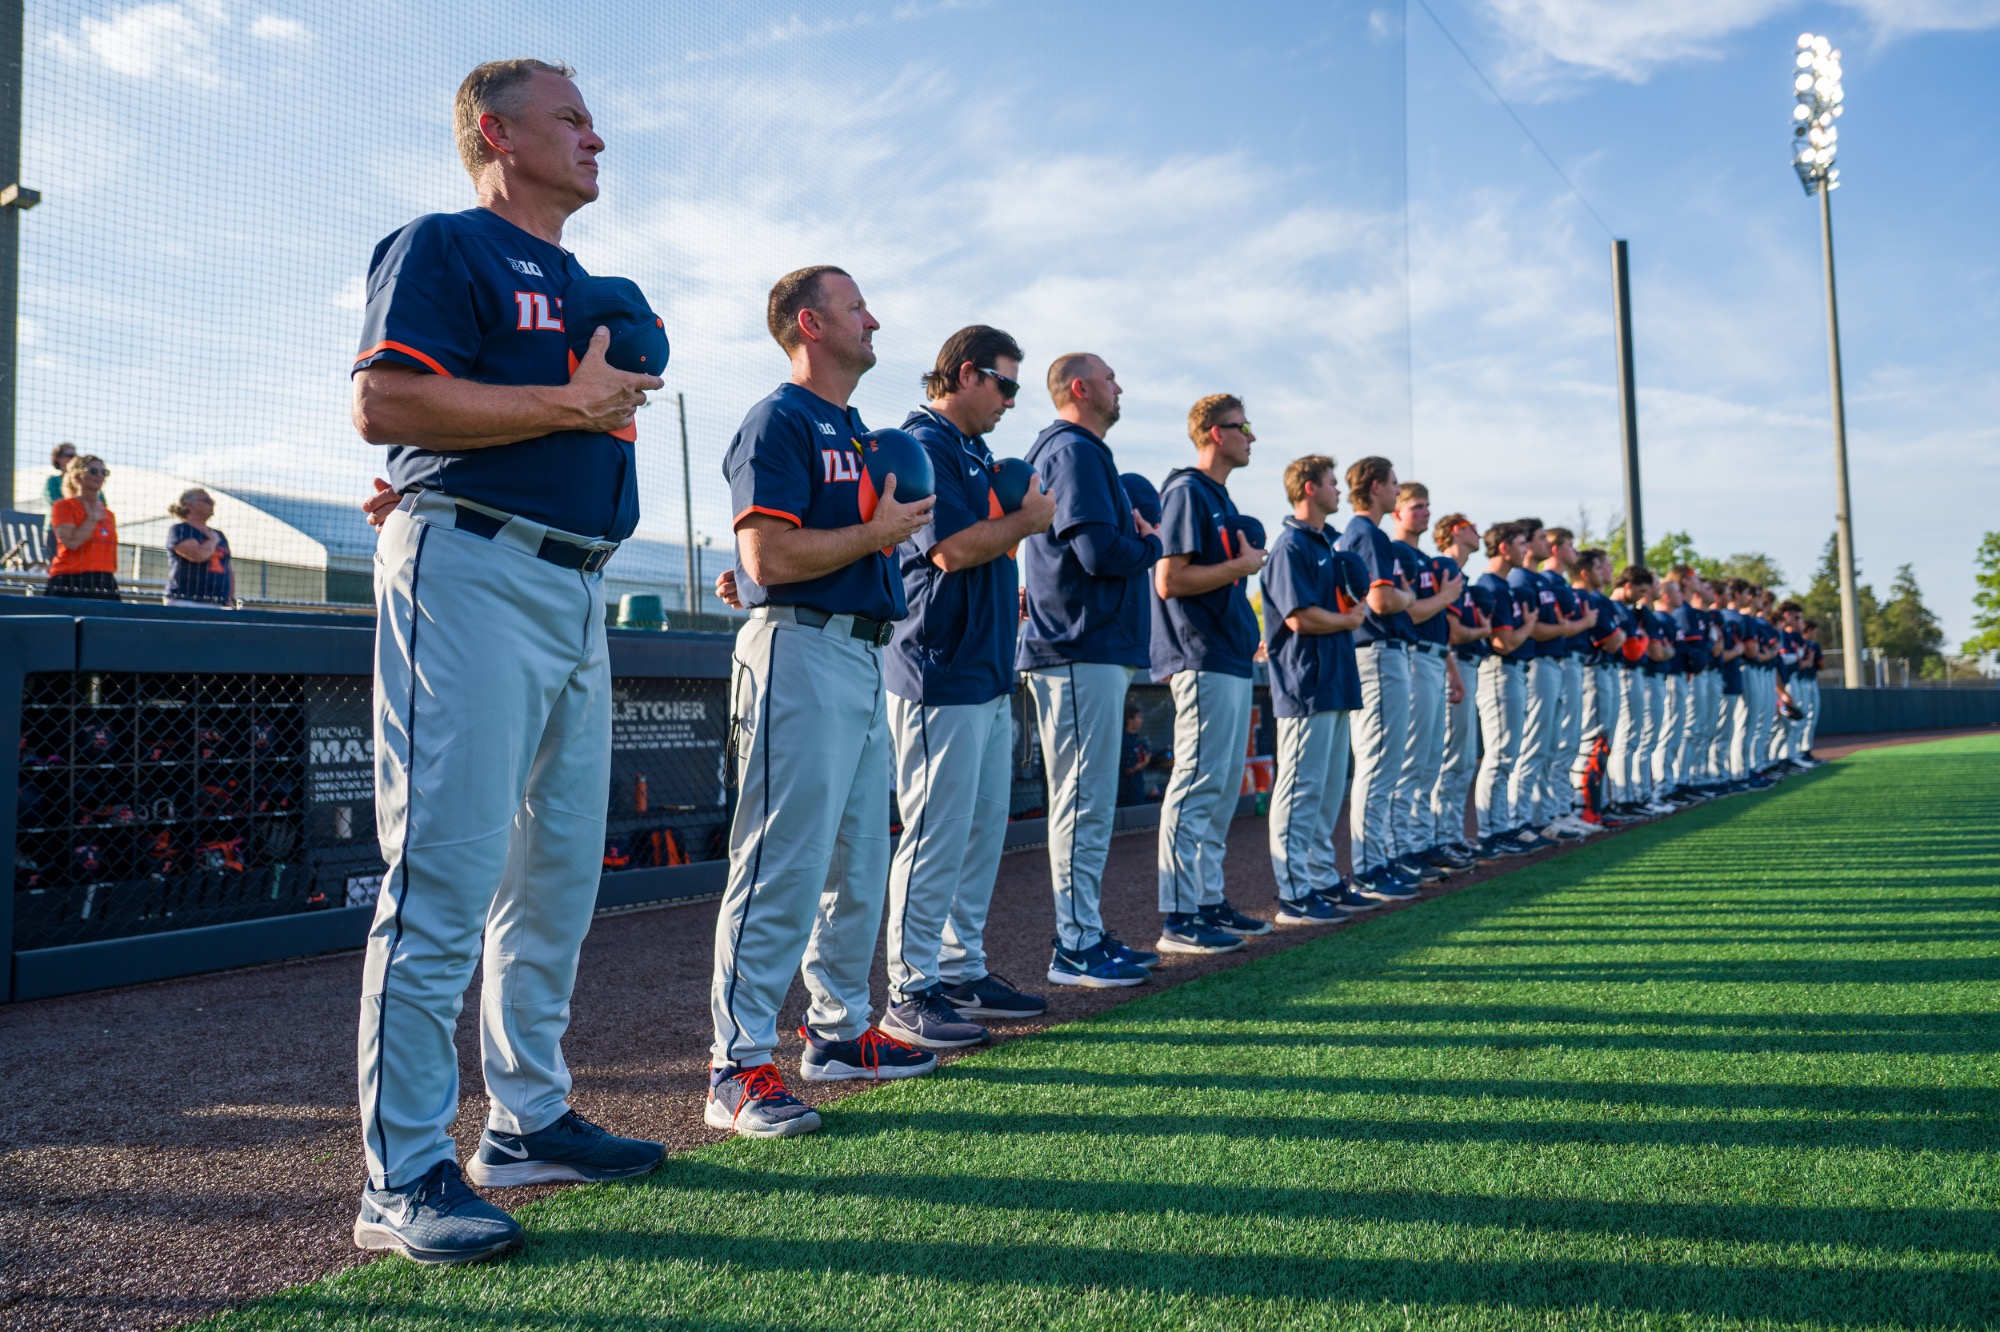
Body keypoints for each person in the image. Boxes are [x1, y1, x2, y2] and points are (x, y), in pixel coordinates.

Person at [348, 59, 668, 1265]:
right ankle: (402, 1174)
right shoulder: (444, 242)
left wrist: (581, 404)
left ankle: (527, 1121)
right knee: (439, 874)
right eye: (571, 118)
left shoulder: (588, 280)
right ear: (496, 132)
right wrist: (567, 408)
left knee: (552, 883)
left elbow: (604, 388)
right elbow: (385, 405)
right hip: (473, 564)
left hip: (577, 579)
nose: (597, 135)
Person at [707, 265, 940, 1134]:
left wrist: (855, 543)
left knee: (855, 862)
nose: (873, 319)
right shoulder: (779, 417)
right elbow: (768, 559)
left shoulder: (859, 430)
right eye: (855, 307)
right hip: (799, 648)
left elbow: (777, 555)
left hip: (858, 654)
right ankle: (736, 1066)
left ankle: (838, 1033)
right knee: (782, 861)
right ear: (810, 323)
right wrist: (876, 535)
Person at [879, 325, 1055, 1048]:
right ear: (964, 373)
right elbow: (947, 550)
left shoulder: (973, 450)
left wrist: (1013, 525)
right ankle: (908, 991)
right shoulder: (920, 441)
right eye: (1005, 384)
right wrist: (1026, 521)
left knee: (980, 832)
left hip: (983, 667)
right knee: (933, 835)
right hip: (935, 664)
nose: (1012, 400)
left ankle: (958, 967)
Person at [1017, 353, 1162, 987]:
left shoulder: (1081, 449)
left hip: (1089, 646)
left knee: (1089, 800)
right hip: (1077, 645)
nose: (1119, 385)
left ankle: (1085, 934)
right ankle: (1075, 946)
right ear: (1080, 388)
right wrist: (1152, 540)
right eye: (1109, 377)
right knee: (1082, 801)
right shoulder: (1073, 449)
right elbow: (1100, 553)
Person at [1152, 393, 1270, 953]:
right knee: (1197, 784)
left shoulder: (1218, 495)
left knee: (1221, 787)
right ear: (1215, 434)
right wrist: (1241, 568)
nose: (1251, 435)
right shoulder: (1185, 490)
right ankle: (1178, 914)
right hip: (1197, 655)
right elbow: (1169, 580)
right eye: (1242, 426)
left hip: (1226, 654)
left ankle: (1207, 899)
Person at [1261, 454, 1371, 924]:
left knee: (1327, 790)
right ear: (1309, 488)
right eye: (1331, 482)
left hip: (1335, 678)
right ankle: (1293, 891)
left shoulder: (1327, 543)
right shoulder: (1290, 545)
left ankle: (1321, 877)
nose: (1338, 490)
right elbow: (1297, 617)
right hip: (1303, 681)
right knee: (1300, 789)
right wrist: (1349, 620)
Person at [1335, 457, 1420, 899]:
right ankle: (1370, 868)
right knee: (1378, 763)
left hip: (1374, 653)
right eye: (1393, 483)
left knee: (1382, 763)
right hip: (1378, 652)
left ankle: (1378, 860)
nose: (1397, 489)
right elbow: (1383, 600)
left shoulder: (1360, 533)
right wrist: (1408, 594)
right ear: (1375, 486)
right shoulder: (1367, 533)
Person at [1386, 482, 1468, 880]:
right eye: (1416, 506)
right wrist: (1447, 596)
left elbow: (1436, 623)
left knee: (1429, 761)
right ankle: (1400, 849)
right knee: (1412, 761)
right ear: (1397, 512)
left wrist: (1453, 672)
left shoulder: (1423, 558)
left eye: (1427, 505)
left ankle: (1419, 844)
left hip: (1434, 659)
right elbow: (1407, 614)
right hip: (1411, 658)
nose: (1424, 511)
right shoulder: (1396, 552)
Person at [1473, 522, 1538, 855]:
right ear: (1503, 547)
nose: (1524, 549)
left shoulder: (1504, 586)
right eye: (1519, 543)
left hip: (1511, 673)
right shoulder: (1490, 585)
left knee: (1506, 755)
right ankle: (1490, 832)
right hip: (1498, 671)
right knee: (1498, 756)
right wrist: (1529, 624)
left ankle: (1499, 827)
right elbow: (1503, 642)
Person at [1430, 512, 1489, 862]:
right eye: (1472, 526)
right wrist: (1485, 630)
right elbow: (1452, 634)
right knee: (1451, 758)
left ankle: (1450, 834)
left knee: (1463, 759)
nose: (1478, 532)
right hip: (1450, 666)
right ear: (1456, 531)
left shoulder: (1460, 574)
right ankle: (1442, 836)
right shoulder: (1444, 569)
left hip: (1462, 666)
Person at [1567, 548, 1627, 824]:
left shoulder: (1601, 600)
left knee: (1602, 742)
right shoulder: (1583, 597)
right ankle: (1584, 810)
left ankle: (1594, 807)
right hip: (1594, 670)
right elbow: (1613, 641)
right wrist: (1621, 635)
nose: (1609, 571)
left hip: (1604, 670)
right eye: (1602, 566)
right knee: (1593, 742)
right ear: (1585, 571)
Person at [46, 454, 120, 601]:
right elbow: (71, 543)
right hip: (70, 579)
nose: (100, 476)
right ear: (77, 477)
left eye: (104, 472)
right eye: (93, 471)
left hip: (104, 581)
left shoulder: (108, 515)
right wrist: (91, 519)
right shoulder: (63, 506)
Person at [164, 489, 234, 608]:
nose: (212, 504)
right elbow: (197, 555)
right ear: (189, 505)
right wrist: (212, 540)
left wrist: (230, 598)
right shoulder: (180, 530)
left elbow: (227, 568)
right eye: (207, 500)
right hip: (185, 600)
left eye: (212, 501)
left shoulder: (219, 534)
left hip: (218, 602)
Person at [1119, 702, 1152, 806]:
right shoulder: (1123, 741)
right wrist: (1141, 764)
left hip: (1139, 788)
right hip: (1126, 792)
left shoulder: (1139, 741)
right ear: (1130, 719)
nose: (1141, 721)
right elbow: (1125, 769)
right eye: (1139, 717)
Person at [44, 442, 76, 507]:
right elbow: (56, 502)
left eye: (75, 456)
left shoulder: (86, 481)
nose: (74, 459)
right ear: (58, 458)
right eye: (70, 456)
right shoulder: (53, 482)